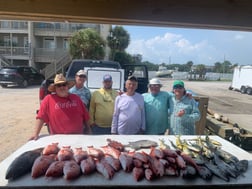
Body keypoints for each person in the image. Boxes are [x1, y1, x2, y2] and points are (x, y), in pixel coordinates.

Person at [29, 73, 90, 140]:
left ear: (67, 86)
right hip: (57, 139)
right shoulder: (48, 99)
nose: (62, 87)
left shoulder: (76, 98)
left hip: (77, 137)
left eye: (64, 85)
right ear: (55, 88)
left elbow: (85, 116)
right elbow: (41, 117)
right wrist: (35, 133)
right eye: (59, 85)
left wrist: (88, 130)